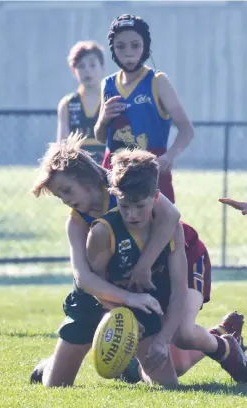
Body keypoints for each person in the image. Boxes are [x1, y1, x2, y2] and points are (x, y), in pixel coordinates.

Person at [30, 134, 245, 387]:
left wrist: (144, 265)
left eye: (66, 190)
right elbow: (84, 277)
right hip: (135, 278)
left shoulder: (125, 186)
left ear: (86, 178)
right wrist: (126, 301)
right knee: (153, 362)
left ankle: (222, 343)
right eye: (59, 196)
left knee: (183, 333)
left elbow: (171, 216)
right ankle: (59, 365)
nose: (65, 199)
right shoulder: (81, 221)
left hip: (183, 253)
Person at [86, 149, 247, 385]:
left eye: (140, 206)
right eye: (124, 206)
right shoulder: (103, 232)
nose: (131, 215)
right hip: (151, 283)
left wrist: (162, 340)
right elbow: (99, 285)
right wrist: (123, 318)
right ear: (114, 196)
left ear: (156, 197)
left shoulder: (170, 226)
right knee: (169, 375)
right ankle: (220, 333)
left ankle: (226, 347)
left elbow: (179, 290)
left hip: (189, 257)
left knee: (183, 333)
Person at [94, 14, 194, 203]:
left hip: (150, 173)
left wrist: (169, 156)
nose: (128, 52)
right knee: (110, 229)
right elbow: (101, 137)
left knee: (159, 229)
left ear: (145, 46)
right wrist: (103, 119)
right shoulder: (107, 84)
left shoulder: (157, 81)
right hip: (114, 172)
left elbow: (187, 130)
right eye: (120, 46)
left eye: (135, 45)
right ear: (113, 49)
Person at [57, 41, 105, 162]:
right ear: (74, 71)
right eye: (81, 66)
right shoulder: (68, 104)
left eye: (92, 65)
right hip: (79, 170)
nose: (87, 71)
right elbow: (62, 145)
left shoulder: (113, 99)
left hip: (109, 168)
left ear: (102, 67)